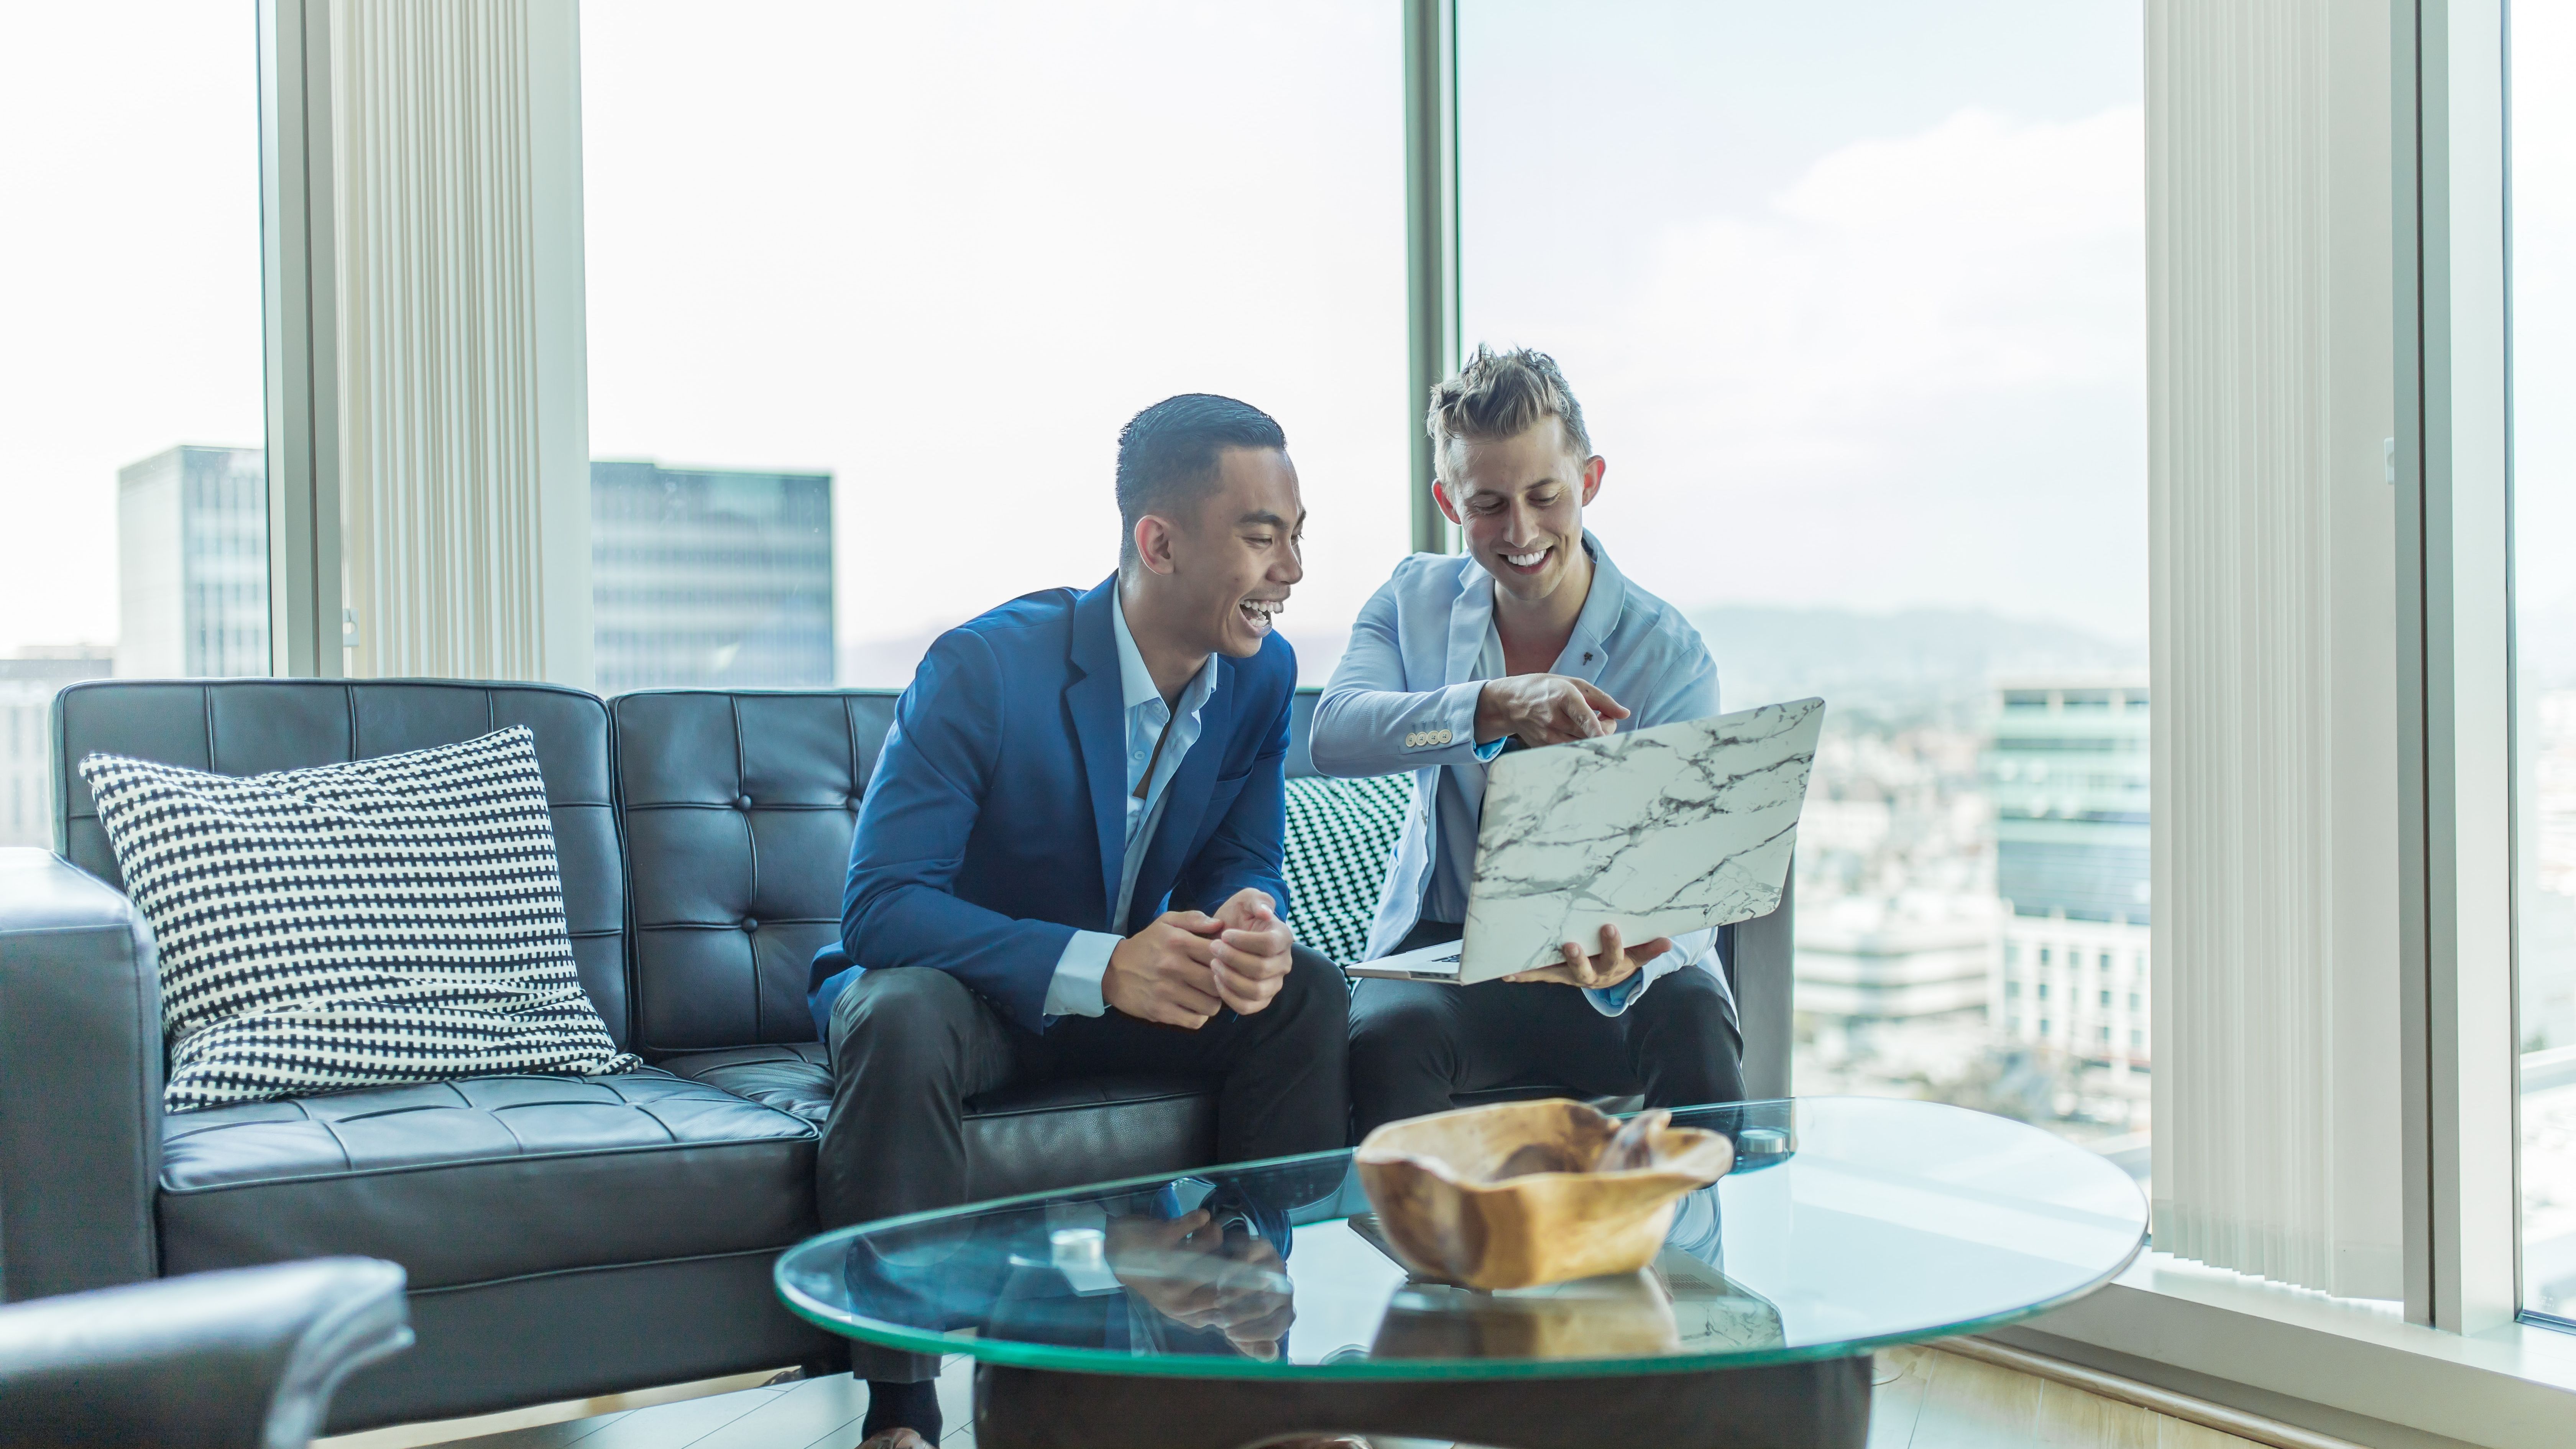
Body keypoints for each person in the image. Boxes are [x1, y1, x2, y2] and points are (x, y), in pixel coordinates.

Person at [809, 394, 1350, 1449]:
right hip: (968, 997)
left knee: (1306, 994)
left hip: (1127, 989)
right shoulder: (983, 668)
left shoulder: (1261, 676)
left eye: (1296, 536)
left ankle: (1248, 1364)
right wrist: (1100, 966)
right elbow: (880, 904)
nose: (1291, 569)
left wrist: (1252, 917)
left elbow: (1245, 853)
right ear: (1160, 540)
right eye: (1261, 536)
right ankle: (900, 1413)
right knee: (900, 1018)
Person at [1311, 345, 1745, 1136]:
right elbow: (1335, 734)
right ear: (1448, 503)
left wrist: (1633, 955)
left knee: (1694, 1022)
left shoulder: (1669, 654)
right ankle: (1428, 1262)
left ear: (1591, 481)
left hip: (1611, 961)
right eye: (1488, 505)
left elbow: (1695, 878)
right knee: (1385, 1038)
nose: (1521, 531)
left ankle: (1695, 1257)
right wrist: (1493, 706)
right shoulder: (1412, 601)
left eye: (1545, 495)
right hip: (1450, 956)